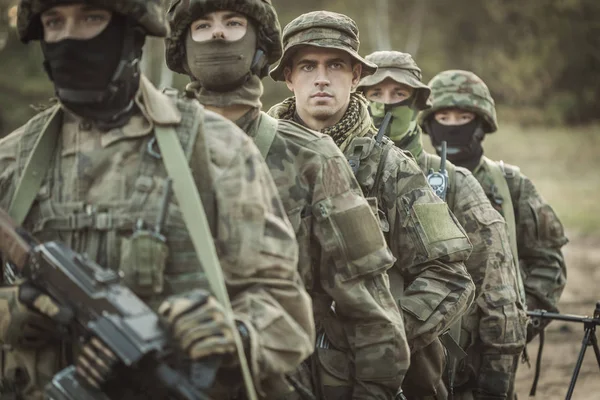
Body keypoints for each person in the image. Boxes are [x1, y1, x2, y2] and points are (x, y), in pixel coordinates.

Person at [0, 1, 315, 399]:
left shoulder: (216, 150)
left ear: (131, 34)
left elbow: (285, 309)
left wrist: (237, 333)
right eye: (54, 22)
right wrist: (11, 309)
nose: (69, 37)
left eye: (91, 18)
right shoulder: (11, 163)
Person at [164, 2, 407, 399]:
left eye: (233, 22)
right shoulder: (146, 148)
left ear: (259, 46)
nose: (220, 34)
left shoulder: (312, 156)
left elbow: (369, 310)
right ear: (181, 49)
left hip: (278, 377)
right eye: (203, 26)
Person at [269, 10, 476, 399]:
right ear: (288, 77)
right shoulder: (252, 155)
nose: (322, 78)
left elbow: (450, 276)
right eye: (308, 66)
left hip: (369, 383)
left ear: (356, 76)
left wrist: (381, 336)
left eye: (335, 65)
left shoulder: (389, 167)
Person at [358, 50, 528, 400]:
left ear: (419, 103)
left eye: (398, 95)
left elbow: (498, 294)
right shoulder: (329, 169)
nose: (385, 105)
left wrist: (493, 386)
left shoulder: (454, 182)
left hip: (445, 374)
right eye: (374, 94)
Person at [420, 69, 568, 336]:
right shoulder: (411, 178)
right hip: (426, 337)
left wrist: (518, 320)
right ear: (429, 125)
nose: (452, 126)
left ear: (481, 124)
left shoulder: (510, 185)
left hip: (493, 342)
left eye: (463, 117)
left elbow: (548, 262)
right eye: (443, 118)